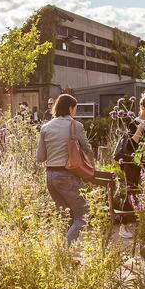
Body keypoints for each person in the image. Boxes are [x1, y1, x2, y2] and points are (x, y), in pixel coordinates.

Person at [36, 93, 95, 244]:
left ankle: (59, 253)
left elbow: (40, 158)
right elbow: (88, 150)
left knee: (65, 217)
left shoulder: (45, 127)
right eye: (75, 108)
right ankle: (66, 252)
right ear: (70, 108)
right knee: (84, 214)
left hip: (50, 177)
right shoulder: (76, 126)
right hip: (68, 176)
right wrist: (90, 172)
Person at [113, 92, 145, 208]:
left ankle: (144, 218)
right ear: (142, 107)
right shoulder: (133, 123)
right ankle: (125, 220)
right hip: (133, 161)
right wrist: (139, 130)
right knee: (131, 191)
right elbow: (129, 146)